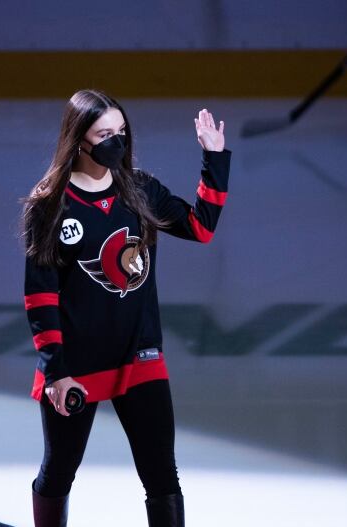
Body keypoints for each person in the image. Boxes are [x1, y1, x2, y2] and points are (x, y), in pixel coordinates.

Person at [21, 90, 229, 527]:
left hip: (140, 357)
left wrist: (214, 158)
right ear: (79, 140)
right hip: (75, 367)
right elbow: (41, 299)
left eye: (121, 131)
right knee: (59, 474)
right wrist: (56, 373)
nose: (116, 141)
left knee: (162, 476)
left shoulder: (139, 189)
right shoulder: (49, 206)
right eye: (104, 134)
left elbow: (200, 227)